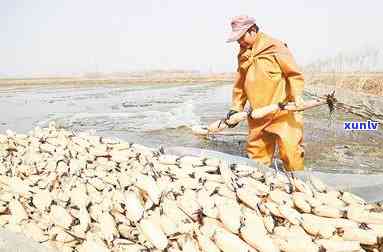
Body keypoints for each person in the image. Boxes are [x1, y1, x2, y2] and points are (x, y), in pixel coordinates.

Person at [226, 15, 305, 171]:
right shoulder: (243, 54)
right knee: (257, 157)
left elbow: (294, 74)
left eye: (241, 37)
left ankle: (299, 186)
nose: (239, 42)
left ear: (253, 30)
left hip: (282, 112)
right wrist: (236, 107)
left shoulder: (275, 46)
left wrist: (297, 97)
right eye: (237, 39)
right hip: (257, 115)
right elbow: (240, 84)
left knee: (291, 153)